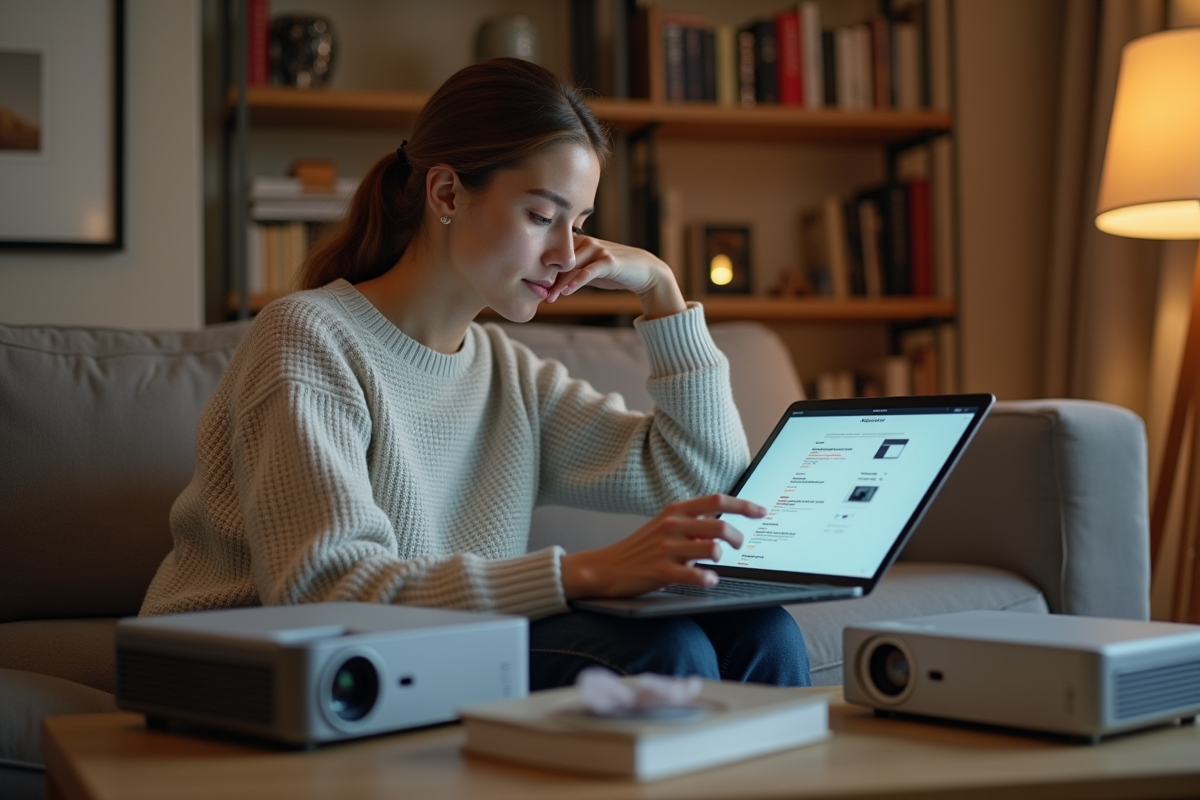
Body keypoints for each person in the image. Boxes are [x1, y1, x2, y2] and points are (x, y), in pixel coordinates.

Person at [141, 58, 810, 690]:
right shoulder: (308, 337)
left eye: (579, 224)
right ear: (445, 191)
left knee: (762, 631)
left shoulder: (508, 375)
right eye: (542, 216)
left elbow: (703, 480)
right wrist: (583, 572)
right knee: (666, 652)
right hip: (248, 664)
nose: (567, 254)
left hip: (426, 645)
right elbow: (327, 588)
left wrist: (661, 290)